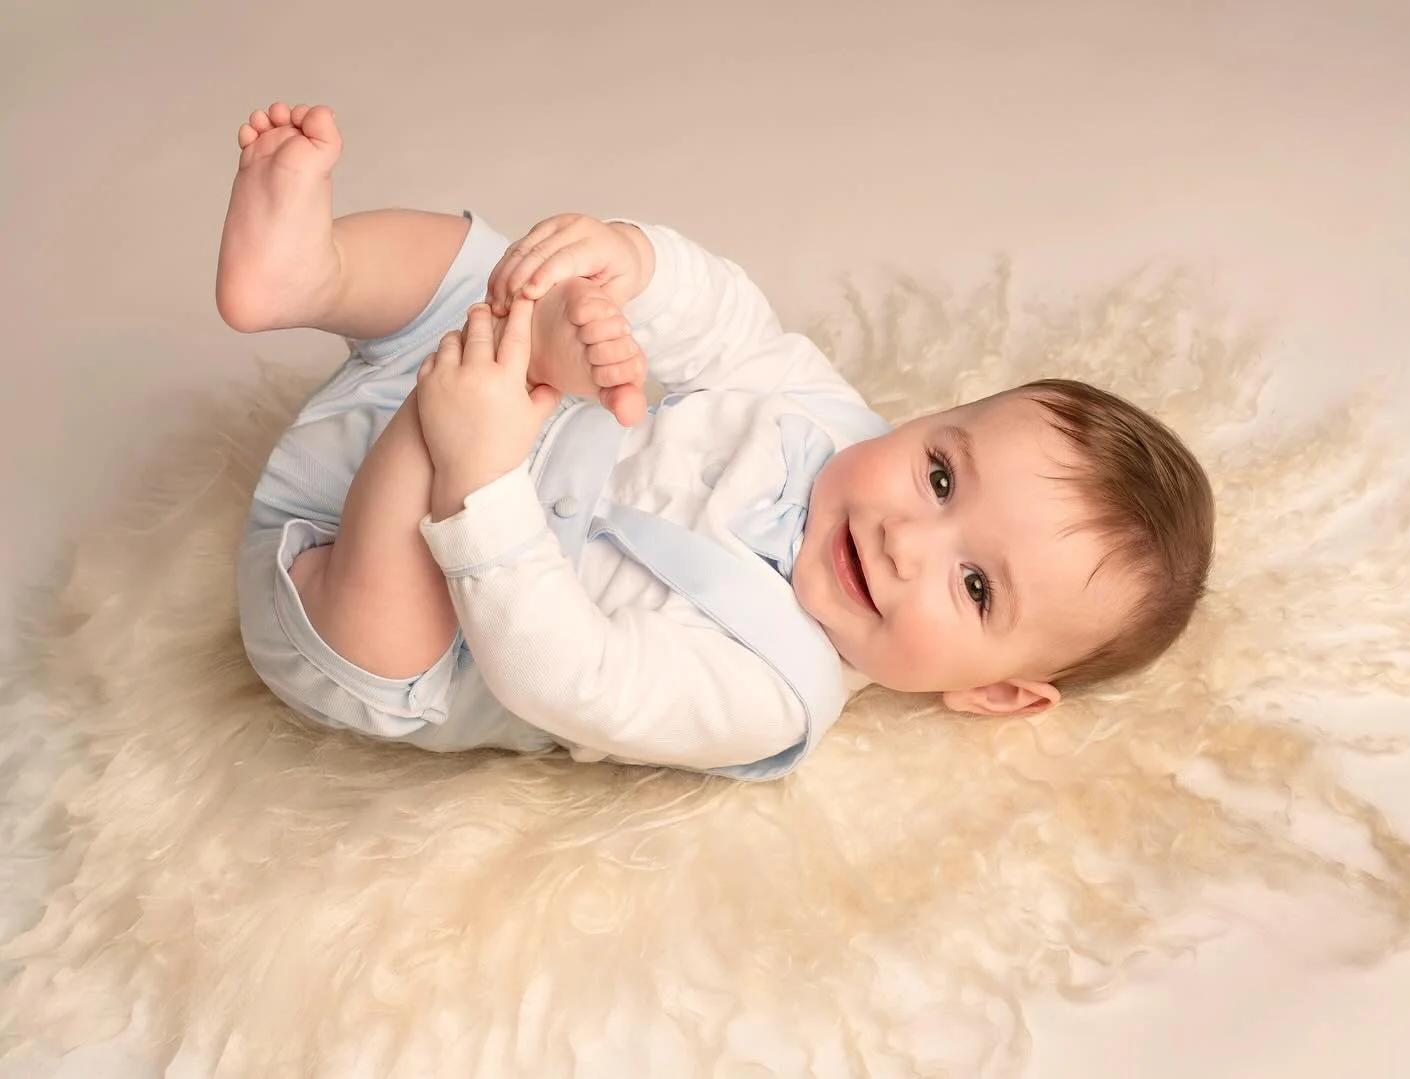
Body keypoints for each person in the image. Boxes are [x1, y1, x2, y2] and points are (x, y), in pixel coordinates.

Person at [219, 102, 1214, 779]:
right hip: (478, 406)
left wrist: (479, 474)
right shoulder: (827, 423)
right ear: (931, 421)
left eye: (977, 586)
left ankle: (463, 415)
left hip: (360, 606)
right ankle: (313, 272)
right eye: (943, 474)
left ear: (994, 690)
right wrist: (633, 260)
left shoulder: (773, 692)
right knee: (494, 270)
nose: (910, 537)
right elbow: (735, 326)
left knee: (402, 622)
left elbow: (569, 677)